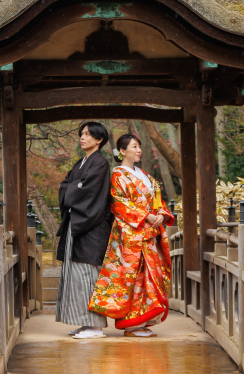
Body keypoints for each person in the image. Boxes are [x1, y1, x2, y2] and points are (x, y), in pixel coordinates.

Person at [88, 133, 175, 337]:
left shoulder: (146, 175)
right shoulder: (118, 175)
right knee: (133, 279)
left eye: (139, 146)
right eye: (134, 147)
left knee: (150, 278)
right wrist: (146, 217)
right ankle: (130, 324)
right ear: (122, 151)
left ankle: (142, 320)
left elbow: (158, 201)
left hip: (149, 234)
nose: (138, 150)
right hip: (132, 235)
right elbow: (120, 205)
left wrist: (161, 214)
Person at [55, 121, 113, 339]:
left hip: (92, 226)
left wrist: (74, 187)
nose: (83, 137)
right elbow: (65, 186)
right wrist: (74, 187)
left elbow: (89, 192)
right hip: (78, 223)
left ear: (99, 140)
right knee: (76, 274)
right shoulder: (82, 163)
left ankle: (95, 326)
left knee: (88, 273)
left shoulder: (101, 164)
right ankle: (83, 322)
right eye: (82, 133)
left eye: (88, 134)